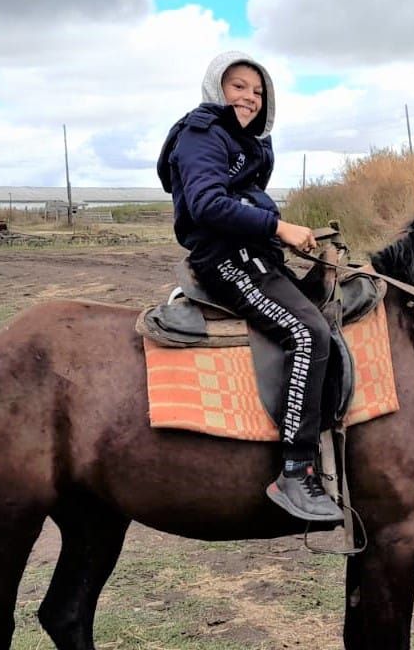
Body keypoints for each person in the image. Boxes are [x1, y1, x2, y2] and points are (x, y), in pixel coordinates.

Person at [159, 50, 341, 523]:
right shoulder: (201, 134)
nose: (250, 97)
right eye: (238, 86)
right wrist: (279, 228)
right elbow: (207, 204)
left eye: (258, 91)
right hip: (227, 260)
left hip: (256, 255)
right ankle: (296, 472)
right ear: (216, 86)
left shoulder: (249, 143)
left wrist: (284, 240)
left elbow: (243, 202)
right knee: (308, 333)